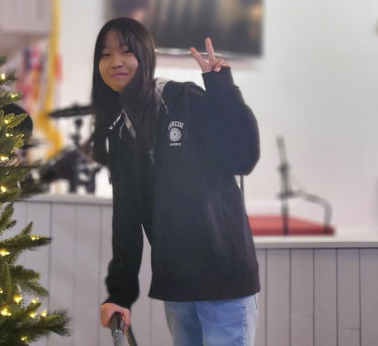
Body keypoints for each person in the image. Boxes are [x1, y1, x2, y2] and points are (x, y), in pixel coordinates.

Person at [92, 17, 260, 345]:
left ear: (145, 55)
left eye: (126, 51)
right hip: (178, 284)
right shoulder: (120, 130)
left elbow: (243, 157)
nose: (115, 62)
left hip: (224, 276)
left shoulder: (181, 99)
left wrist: (221, 87)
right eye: (105, 55)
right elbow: (126, 216)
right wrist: (119, 294)